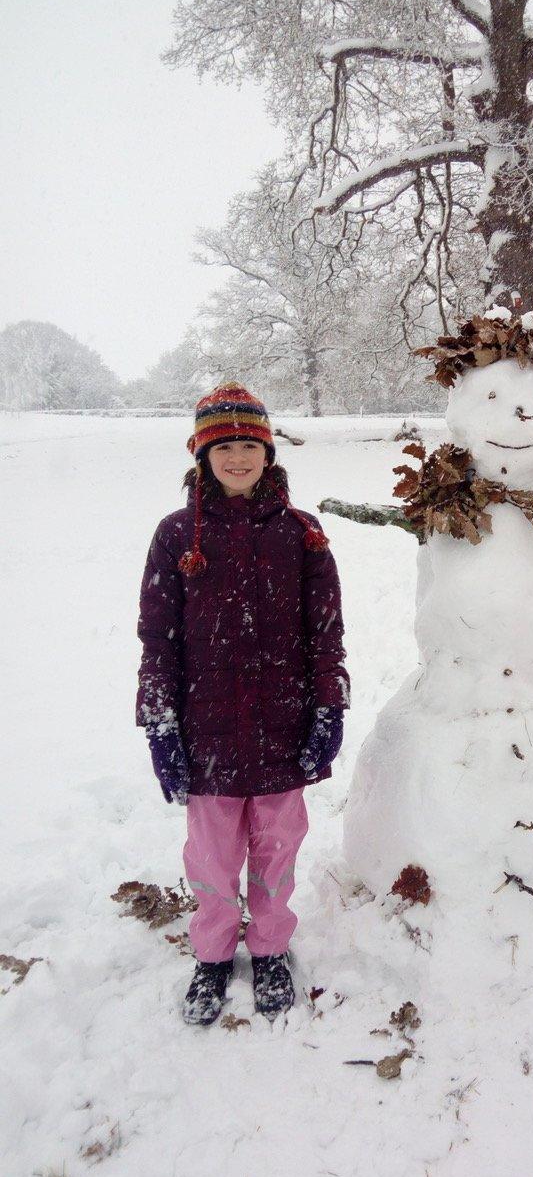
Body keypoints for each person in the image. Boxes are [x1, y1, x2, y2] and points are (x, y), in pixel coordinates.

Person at [136, 383, 349, 1025]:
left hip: (284, 724)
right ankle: (212, 953)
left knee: (278, 845)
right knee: (212, 854)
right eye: (223, 446)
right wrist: (161, 722)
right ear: (202, 455)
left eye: (247, 445)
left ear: (267, 450)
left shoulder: (302, 533)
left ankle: (271, 948)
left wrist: (328, 708)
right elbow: (156, 634)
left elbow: (327, 630)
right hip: (208, 729)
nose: (236, 457)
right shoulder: (175, 536)